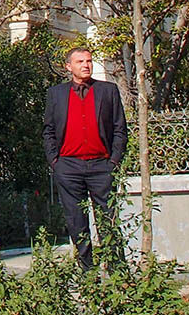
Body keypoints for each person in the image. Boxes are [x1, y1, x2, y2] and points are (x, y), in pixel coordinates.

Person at [42, 47, 128, 270]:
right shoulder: (56, 94)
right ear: (69, 66)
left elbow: (120, 128)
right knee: (76, 222)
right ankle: (88, 273)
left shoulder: (107, 91)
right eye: (80, 61)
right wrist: (55, 161)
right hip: (68, 166)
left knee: (108, 220)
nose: (86, 65)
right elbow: (49, 130)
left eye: (89, 61)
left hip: (102, 165)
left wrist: (114, 161)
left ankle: (118, 273)